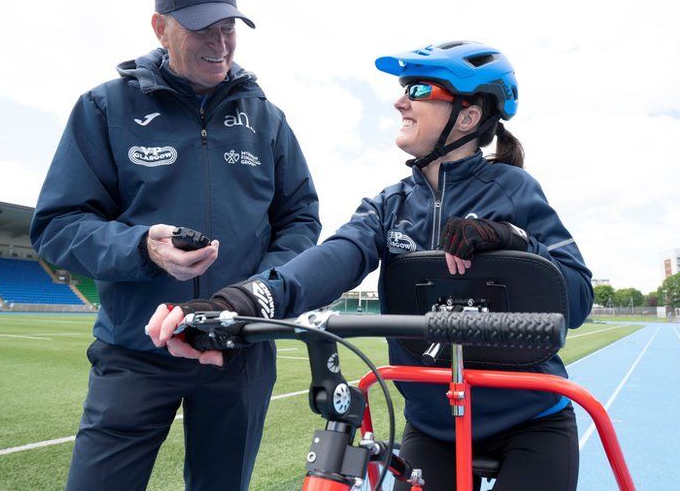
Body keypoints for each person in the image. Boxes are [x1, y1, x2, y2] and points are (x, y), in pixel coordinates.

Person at [148, 41, 592, 490]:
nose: (400, 100)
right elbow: (326, 262)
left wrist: (514, 241)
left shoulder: (514, 189)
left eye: (418, 89)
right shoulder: (390, 205)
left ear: (469, 115)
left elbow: (576, 297)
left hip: (530, 421)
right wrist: (237, 302)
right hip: (433, 427)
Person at [30, 0, 320, 491]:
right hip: (137, 348)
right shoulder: (104, 107)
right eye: (202, 27)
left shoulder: (267, 120)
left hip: (240, 345)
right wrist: (142, 247)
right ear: (160, 27)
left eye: (228, 26)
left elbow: (301, 220)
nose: (220, 43)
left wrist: (257, 291)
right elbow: (57, 225)